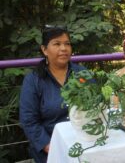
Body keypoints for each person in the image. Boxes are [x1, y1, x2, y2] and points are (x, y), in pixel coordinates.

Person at [19, 25, 86, 163]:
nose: (63, 48)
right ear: (44, 50)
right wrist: (51, 147)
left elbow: (96, 105)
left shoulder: (82, 74)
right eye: (57, 44)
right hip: (50, 149)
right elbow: (28, 120)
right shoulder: (33, 80)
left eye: (67, 44)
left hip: (84, 142)